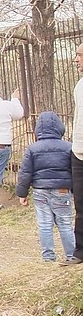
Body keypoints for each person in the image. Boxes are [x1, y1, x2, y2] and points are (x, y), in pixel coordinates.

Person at [15, 112, 75, 264]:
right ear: (60, 128)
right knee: (65, 223)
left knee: (44, 224)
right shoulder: (69, 147)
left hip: (40, 190)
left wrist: (22, 193)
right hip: (62, 190)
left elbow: (25, 172)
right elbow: (75, 171)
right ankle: (71, 254)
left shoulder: (33, 149)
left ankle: (48, 256)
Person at [71, 43, 83, 261]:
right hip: (79, 152)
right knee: (80, 204)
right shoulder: (79, 85)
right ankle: (80, 250)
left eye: (80, 55)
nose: (76, 60)